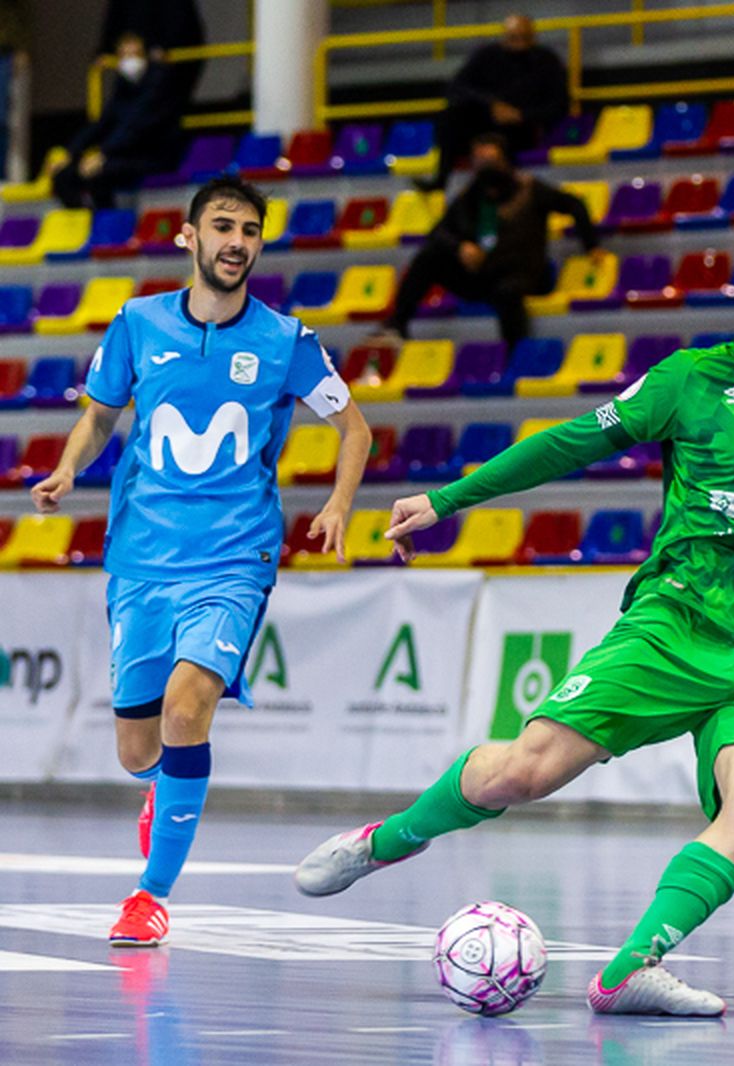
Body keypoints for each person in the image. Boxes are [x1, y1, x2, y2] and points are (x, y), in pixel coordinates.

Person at [293, 215, 734, 1016]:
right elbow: (569, 443)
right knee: (523, 771)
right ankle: (381, 842)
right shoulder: (690, 380)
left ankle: (629, 970)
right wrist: (445, 499)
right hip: (671, 626)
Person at [29, 175, 372, 947]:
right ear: (189, 237)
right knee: (137, 749)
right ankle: (161, 787)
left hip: (233, 558)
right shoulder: (138, 323)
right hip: (141, 557)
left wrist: (339, 504)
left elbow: (357, 430)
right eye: (222, 226)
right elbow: (101, 413)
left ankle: (150, 896)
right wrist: (67, 469)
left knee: (188, 707)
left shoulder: (286, 341)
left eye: (249, 230)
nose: (236, 243)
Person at [383, 133, 601, 346]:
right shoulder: (471, 195)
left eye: (490, 161)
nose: (484, 168)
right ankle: (397, 324)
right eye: (479, 161)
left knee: (507, 292)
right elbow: (438, 232)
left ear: (504, 160)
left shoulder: (530, 188)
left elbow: (575, 205)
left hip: (522, 273)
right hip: (482, 273)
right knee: (428, 257)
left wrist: (592, 246)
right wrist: (460, 247)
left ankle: (515, 353)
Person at [425, 14, 568, 192]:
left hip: (522, 128)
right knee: (450, 117)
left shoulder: (547, 61)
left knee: (498, 144)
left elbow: (559, 105)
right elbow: (456, 87)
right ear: (504, 37)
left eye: (525, 37)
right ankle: (441, 180)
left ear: (533, 37)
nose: (519, 44)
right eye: (514, 38)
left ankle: (505, 190)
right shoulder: (487, 55)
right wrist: (491, 104)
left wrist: (520, 115)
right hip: (484, 122)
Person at [53, 32, 184, 209]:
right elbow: (101, 124)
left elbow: (137, 128)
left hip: (154, 155)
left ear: (147, 56)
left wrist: (104, 154)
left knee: (99, 172)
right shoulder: (122, 88)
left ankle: (108, 223)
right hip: (122, 155)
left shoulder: (160, 85)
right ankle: (86, 220)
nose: (129, 61)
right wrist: (70, 153)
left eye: (135, 54)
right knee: (63, 175)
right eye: (124, 55)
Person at [98, 0, 204, 105]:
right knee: (127, 105)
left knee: (149, 104)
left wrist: (164, 47)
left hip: (165, 65)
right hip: (140, 63)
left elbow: (181, 21)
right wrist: (106, 50)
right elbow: (114, 19)